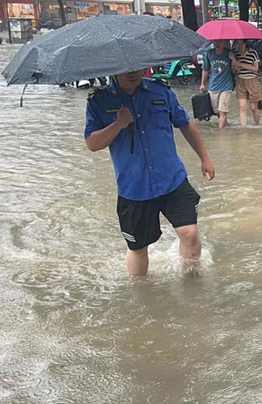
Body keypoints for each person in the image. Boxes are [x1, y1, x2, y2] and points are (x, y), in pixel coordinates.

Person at [86, 71, 216, 276]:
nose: (132, 73)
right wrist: (118, 124)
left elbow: (184, 124)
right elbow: (92, 144)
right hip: (134, 187)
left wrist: (204, 158)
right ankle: (142, 297)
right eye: (126, 69)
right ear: (113, 70)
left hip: (172, 178)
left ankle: (193, 287)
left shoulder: (160, 91)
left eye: (137, 67)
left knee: (189, 234)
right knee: (138, 247)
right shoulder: (99, 100)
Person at [200, 39, 235, 129]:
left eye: (220, 41)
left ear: (224, 42)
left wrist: (234, 59)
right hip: (213, 86)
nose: (218, 44)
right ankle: (226, 126)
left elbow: (236, 69)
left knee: (222, 111)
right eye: (216, 42)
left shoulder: (229, 54)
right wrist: (202, 84)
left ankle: (221, 134)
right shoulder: (209, 54)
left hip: (226, 86)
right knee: (217, 112)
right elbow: (205, 69)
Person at [231, 39, 262, 127]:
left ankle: (257, 125)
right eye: (238, 44)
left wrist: (241, 64)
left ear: (245, 44)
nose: (240, 46)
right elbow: (237, 70)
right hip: (241, 81)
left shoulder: (253, 53)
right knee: (242, 107)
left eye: (242, 43)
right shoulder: (236, 54)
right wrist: (234, 61)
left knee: (253, 108)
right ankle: (243, 128)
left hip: (252, 81)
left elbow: (256, 69)